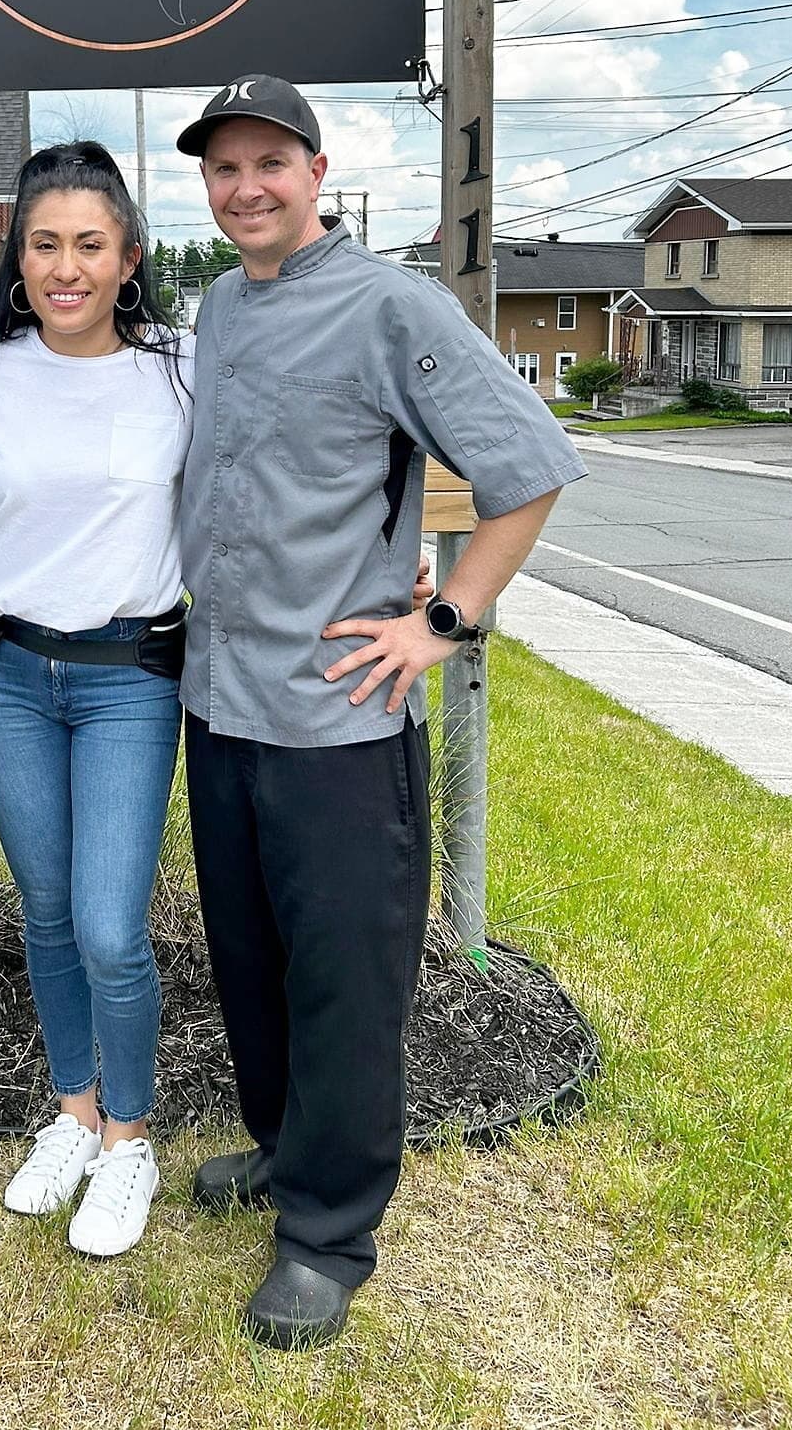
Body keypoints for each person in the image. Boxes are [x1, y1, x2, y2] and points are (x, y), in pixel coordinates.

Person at [174, 76, 587, 1349]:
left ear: (317, 168)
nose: (246, 185)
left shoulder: (394, 305)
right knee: (249, 962)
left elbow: (528, 468)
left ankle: (327, 1230)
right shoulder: (220, 310)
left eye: (269, 161)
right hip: (220, 703)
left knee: (346, 980)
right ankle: (283, 1148)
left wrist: (443, 615)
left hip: (339, 719)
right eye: (223, 166)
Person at [0, 143, 192, 1257]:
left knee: (107, 922)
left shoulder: (181, 373)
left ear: (129, 256)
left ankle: (130, 1137)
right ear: (19, 255)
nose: (65, 265)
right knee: (45, 909)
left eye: (89, 244)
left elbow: (293, 467)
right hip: (1, 669)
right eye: (43, 243)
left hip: (126, 679)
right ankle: (73, 1110)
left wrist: (400, 577)